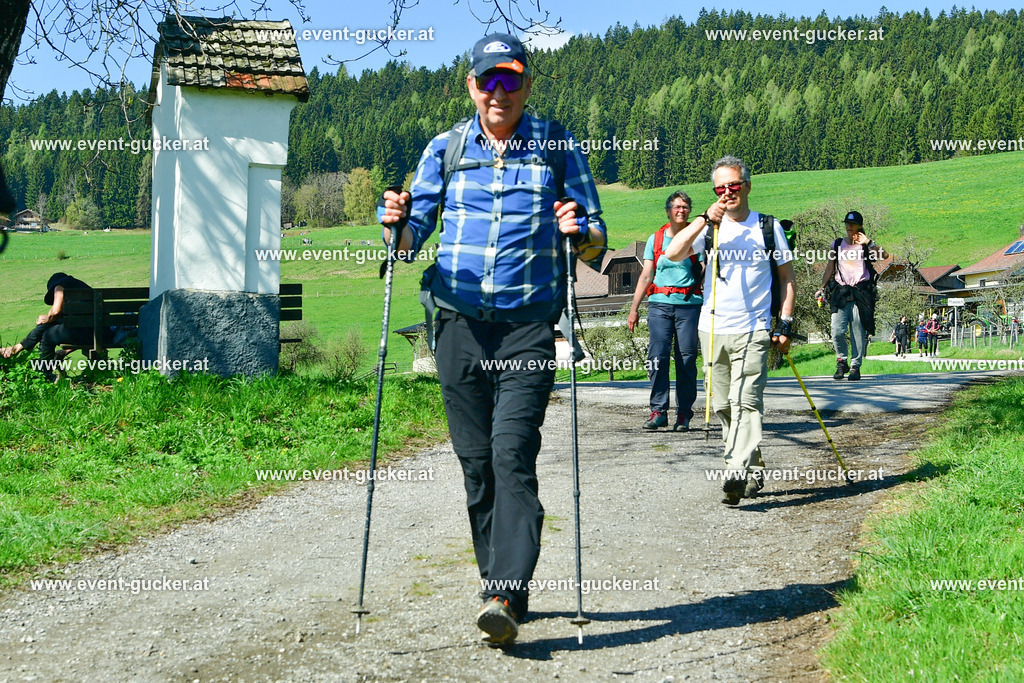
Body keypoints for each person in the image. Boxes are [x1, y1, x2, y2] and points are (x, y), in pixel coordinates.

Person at [378, 33, 607, 647]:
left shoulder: (556, 146)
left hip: (528, 325)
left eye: (510, 80)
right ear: (471, 85)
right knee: (476, 463)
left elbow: (597, 241)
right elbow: (410, 241)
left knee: (511, 452)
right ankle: (502, 584)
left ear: (527, 84)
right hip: (456, 323)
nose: (498, 92)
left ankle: (503, 589)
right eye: (488, 81)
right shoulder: (444, 149)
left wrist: (579, 228)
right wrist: (396, 225)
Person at [661, 156, 796, 506]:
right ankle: (752, 465)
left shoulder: (768, 227)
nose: (727, 193)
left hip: (754, 329)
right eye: (720, 188)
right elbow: (672, 254)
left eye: (733, 186)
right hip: (712, 328)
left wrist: (785, 324)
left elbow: (787, 280)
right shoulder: (709, 227)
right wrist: (704, 219)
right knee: (723, 405)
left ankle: (734, 471)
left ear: (747, 186)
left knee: (746, 402)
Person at [626, 191, 703, 432]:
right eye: (678, 207)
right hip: (659, 304)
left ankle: (684, 414)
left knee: (687, 359)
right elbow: (646, 275)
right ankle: (658, 410)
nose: (682, 211)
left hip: (689, 305)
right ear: (668, 210)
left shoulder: (699, 238)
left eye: (686, 207)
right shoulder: (655, 240)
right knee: (657, 357)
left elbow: (705, 271)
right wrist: (634, 309)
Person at [816, 211, 888, 381]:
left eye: (853, 224)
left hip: (860, 292)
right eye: (847, 223)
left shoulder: (865, 246)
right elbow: (830, 267)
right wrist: (822, 287)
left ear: (859, 226)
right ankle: (842, 361)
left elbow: (884, 256)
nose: (850, 227)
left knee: (857, 330)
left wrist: (869, 242)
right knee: (837, 330)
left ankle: (855, 366)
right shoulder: (837, 244)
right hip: (840, 291)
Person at [1, 272, 93, 379]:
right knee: (53, 323)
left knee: (47, 335)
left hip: (85, 333)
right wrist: (65, 352)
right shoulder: (83, 288)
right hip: (101, 332)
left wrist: (48, 318)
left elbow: (56, 311)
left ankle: (46, 374)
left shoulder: (60, 285)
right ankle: (17, 348)